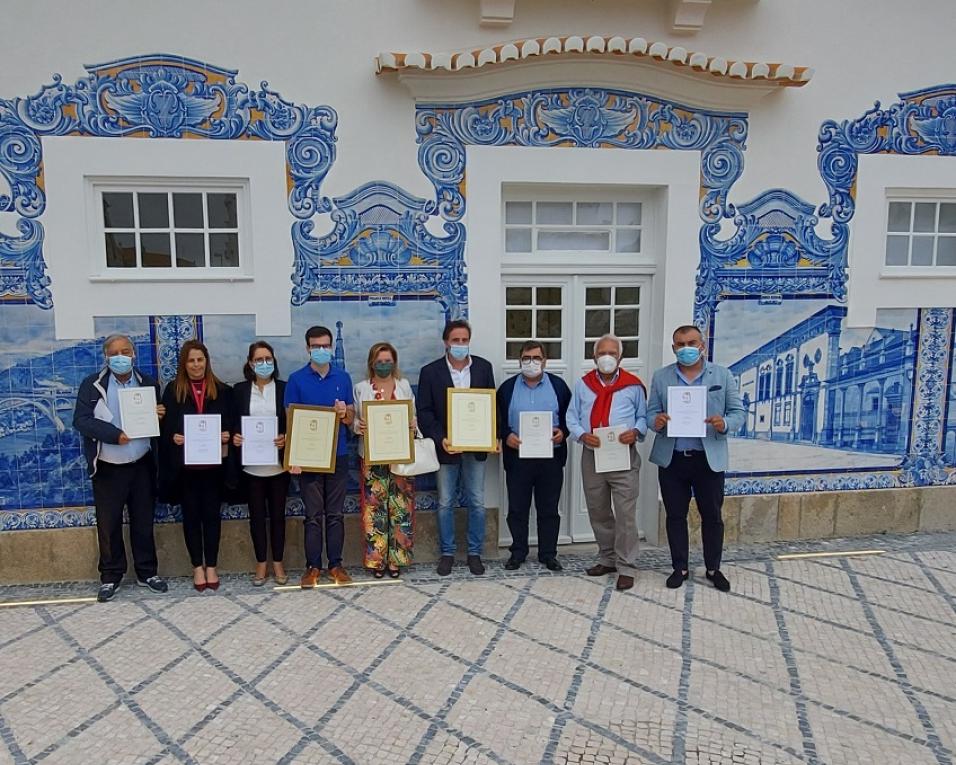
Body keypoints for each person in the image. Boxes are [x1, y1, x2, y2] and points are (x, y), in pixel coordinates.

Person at [646, 324, 745, 592]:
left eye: (691, 342)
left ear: (702, 345)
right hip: (673, 458)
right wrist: (657, 421)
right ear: (673, 348)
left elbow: (739, 413)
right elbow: (649, 415)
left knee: (712, 515)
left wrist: (723, 423)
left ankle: (713, 568)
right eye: (680, 344)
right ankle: (680, 567)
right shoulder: (661, 377)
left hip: (707, 459)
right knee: (675, 515)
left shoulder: (722, 376)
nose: (686, 348)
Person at [73, 334, 168, 603]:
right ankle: (111, 576)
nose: (120, 356)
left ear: (134, 354)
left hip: (141, 466)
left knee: (143, 521)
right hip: (108, 468)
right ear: (106, 357)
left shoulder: (148, 384)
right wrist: (114, 435)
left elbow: (157, 426)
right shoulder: (91, 385)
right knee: (109, 524)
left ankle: (147, 572)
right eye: (114, 352)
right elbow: (81, 420)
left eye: (125, 351)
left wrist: (159, 414)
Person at [566, 333, 647, 591]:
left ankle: (626, 566)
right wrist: (581, 434)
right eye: (602, 353)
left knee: (625, 514)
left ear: (620, 357)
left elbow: (643, 417)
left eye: (612, 353)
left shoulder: (633, 386)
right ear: (594, 356)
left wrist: (635, 431)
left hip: (623, 453)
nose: (607, 357)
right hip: (593, 453)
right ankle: (607, 558)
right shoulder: (583, 385)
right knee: (598, 510)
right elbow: (571, 416)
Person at [417, 319, 496, 576]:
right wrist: (441, 438)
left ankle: (475, 553)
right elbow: (425, 412)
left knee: (476, 500)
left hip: (476, 447)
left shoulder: (484, 368)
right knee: (446, 501)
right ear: (446, 343)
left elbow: (490, 407)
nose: (460, 345)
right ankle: (447, 553)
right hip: (446, 447)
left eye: (464, 340)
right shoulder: (430, 372)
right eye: (455, 340)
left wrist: (491, 436)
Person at [159, 339, 233, 592]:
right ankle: (196, 567)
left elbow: (232, 425)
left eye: (200, 359)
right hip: (186, 470)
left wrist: (226, 435)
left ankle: (211, 565)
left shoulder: (222, 390)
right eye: (191, 360)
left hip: (213, 469)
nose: (196, 364)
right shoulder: (173, 390)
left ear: (206, 361)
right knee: (191, 518)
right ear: (184, 363)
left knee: (212, 517)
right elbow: (164, 427)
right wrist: (173, 436)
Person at [284, 325, 355, 587]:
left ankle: (336, 565)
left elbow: (351, 418)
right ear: (307, 348)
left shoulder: (343, 378)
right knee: (313, 515)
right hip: (308, 458)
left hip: (338, 454)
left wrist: (343, 414)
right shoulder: (296, 380)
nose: (322, 350)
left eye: (326, 346)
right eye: (316, 346)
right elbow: (291, 420)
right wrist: (294, 457)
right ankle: (312, 567)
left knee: (335, 514)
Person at [496, 340, 571, 571]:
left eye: (536, 358)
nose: (531, 363)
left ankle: (548, 553)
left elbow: (571, 418)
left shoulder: (559, 386)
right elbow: (497, 420)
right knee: (518, 507)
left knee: (548, 508)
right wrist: (506, 435)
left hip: (550, 458)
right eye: (527, 358)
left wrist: (563, 433)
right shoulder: (507, 388)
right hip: (518, 458)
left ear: (545, 361)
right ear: (520, 361)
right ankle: (518, 552)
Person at [352, 342, 417, 578]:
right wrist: (357, 426)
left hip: (400, 456)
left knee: (401, 508)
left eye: (388, 361)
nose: (384, 365)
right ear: (372, 363)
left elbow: (413, 415)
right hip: (371, 456)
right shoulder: (361, 389)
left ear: (395, 362)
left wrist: (412, 424)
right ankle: (377, 560)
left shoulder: (404, 386)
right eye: (380, 361)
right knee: (374, 509)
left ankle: (396, 560)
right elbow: (354, 420)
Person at [231, 341, 289, 586]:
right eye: (259, 360)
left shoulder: (284, 389)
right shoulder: (240, 390)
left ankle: (278, 562)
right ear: (250, 363)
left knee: (278, 516)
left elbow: (292, 421)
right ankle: (261, 564)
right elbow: (234, 421)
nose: (264, 363)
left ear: (274, 361)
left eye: (268, 359)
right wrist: (235, 436)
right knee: (256, 517)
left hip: (278, 466)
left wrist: (286, 437)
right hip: (251, 467)